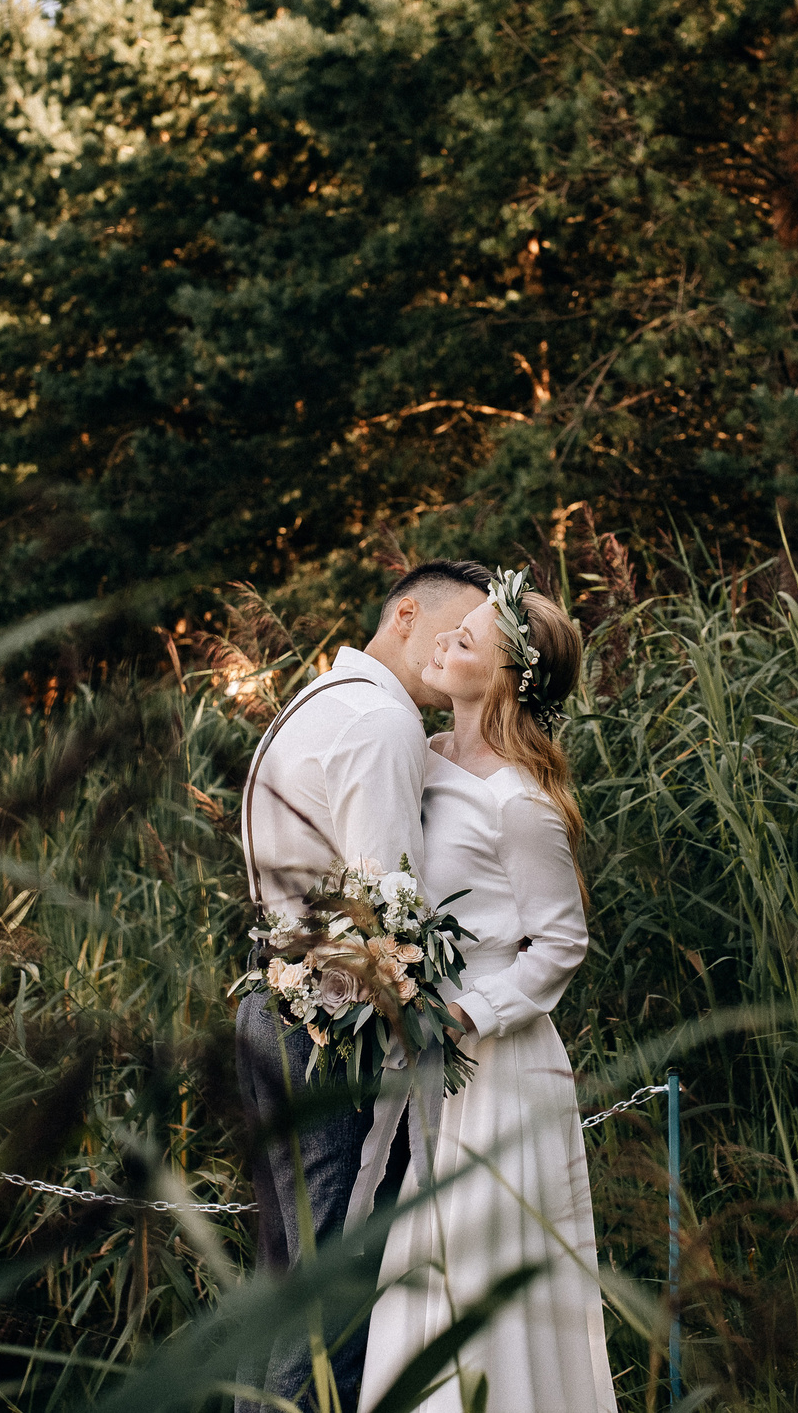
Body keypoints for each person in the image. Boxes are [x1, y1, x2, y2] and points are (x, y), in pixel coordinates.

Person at [235, 558, 492, 1413]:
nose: (464, 652)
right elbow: (392, 909)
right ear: (407, 614)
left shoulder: (314, 704)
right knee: (330, 1302)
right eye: (455, 633)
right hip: (333, 1035)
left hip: (270, 1008)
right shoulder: (382, 723)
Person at [361, 569, 617, 1413]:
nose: (442, 640)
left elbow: (561, 943)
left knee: (480, 1275)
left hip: (500, 1069)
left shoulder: (518, 800)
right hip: (430, 1060)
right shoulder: (420, 756)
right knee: (419, 1272)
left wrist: (469, 1012)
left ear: (505, 678)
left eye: (465, 639)